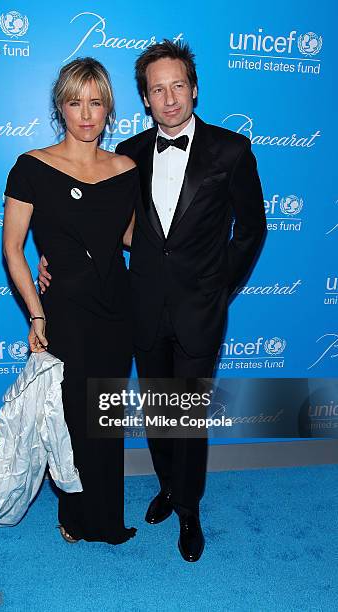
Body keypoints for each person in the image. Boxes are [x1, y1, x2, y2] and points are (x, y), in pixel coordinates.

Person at [39, 40, 267, 561]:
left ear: (194, 89)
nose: (169, 99)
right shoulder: (130, 156)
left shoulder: (232, 151)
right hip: (138, 305)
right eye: (157, 89)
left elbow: (251, 230)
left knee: (187, 413)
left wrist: (218, 288)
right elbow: (102, 226)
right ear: (145, 97)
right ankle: (166, 486)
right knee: (162, 412)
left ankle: (189, 509)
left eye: (177, 86)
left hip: (199, 308)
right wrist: (58, 257)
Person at [3, 57, 138, 545]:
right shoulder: (32, 167)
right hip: (63, 310)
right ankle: (75, 515)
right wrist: (36, 313)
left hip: (116, 308)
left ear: (108, 109)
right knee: (71, 414)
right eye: (75, 102)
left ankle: (107, 518)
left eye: (96, 102)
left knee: (105, 413)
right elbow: (12, 250)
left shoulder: (126, 170)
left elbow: (128, 238)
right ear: (60, 107)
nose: (86, 113)